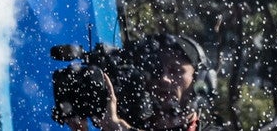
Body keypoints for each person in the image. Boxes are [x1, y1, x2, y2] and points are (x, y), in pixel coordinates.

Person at [61, 34, 207, 131]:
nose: (163, 78)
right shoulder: (134, 121)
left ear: (200, 80)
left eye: (176, 71)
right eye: (156, 69)